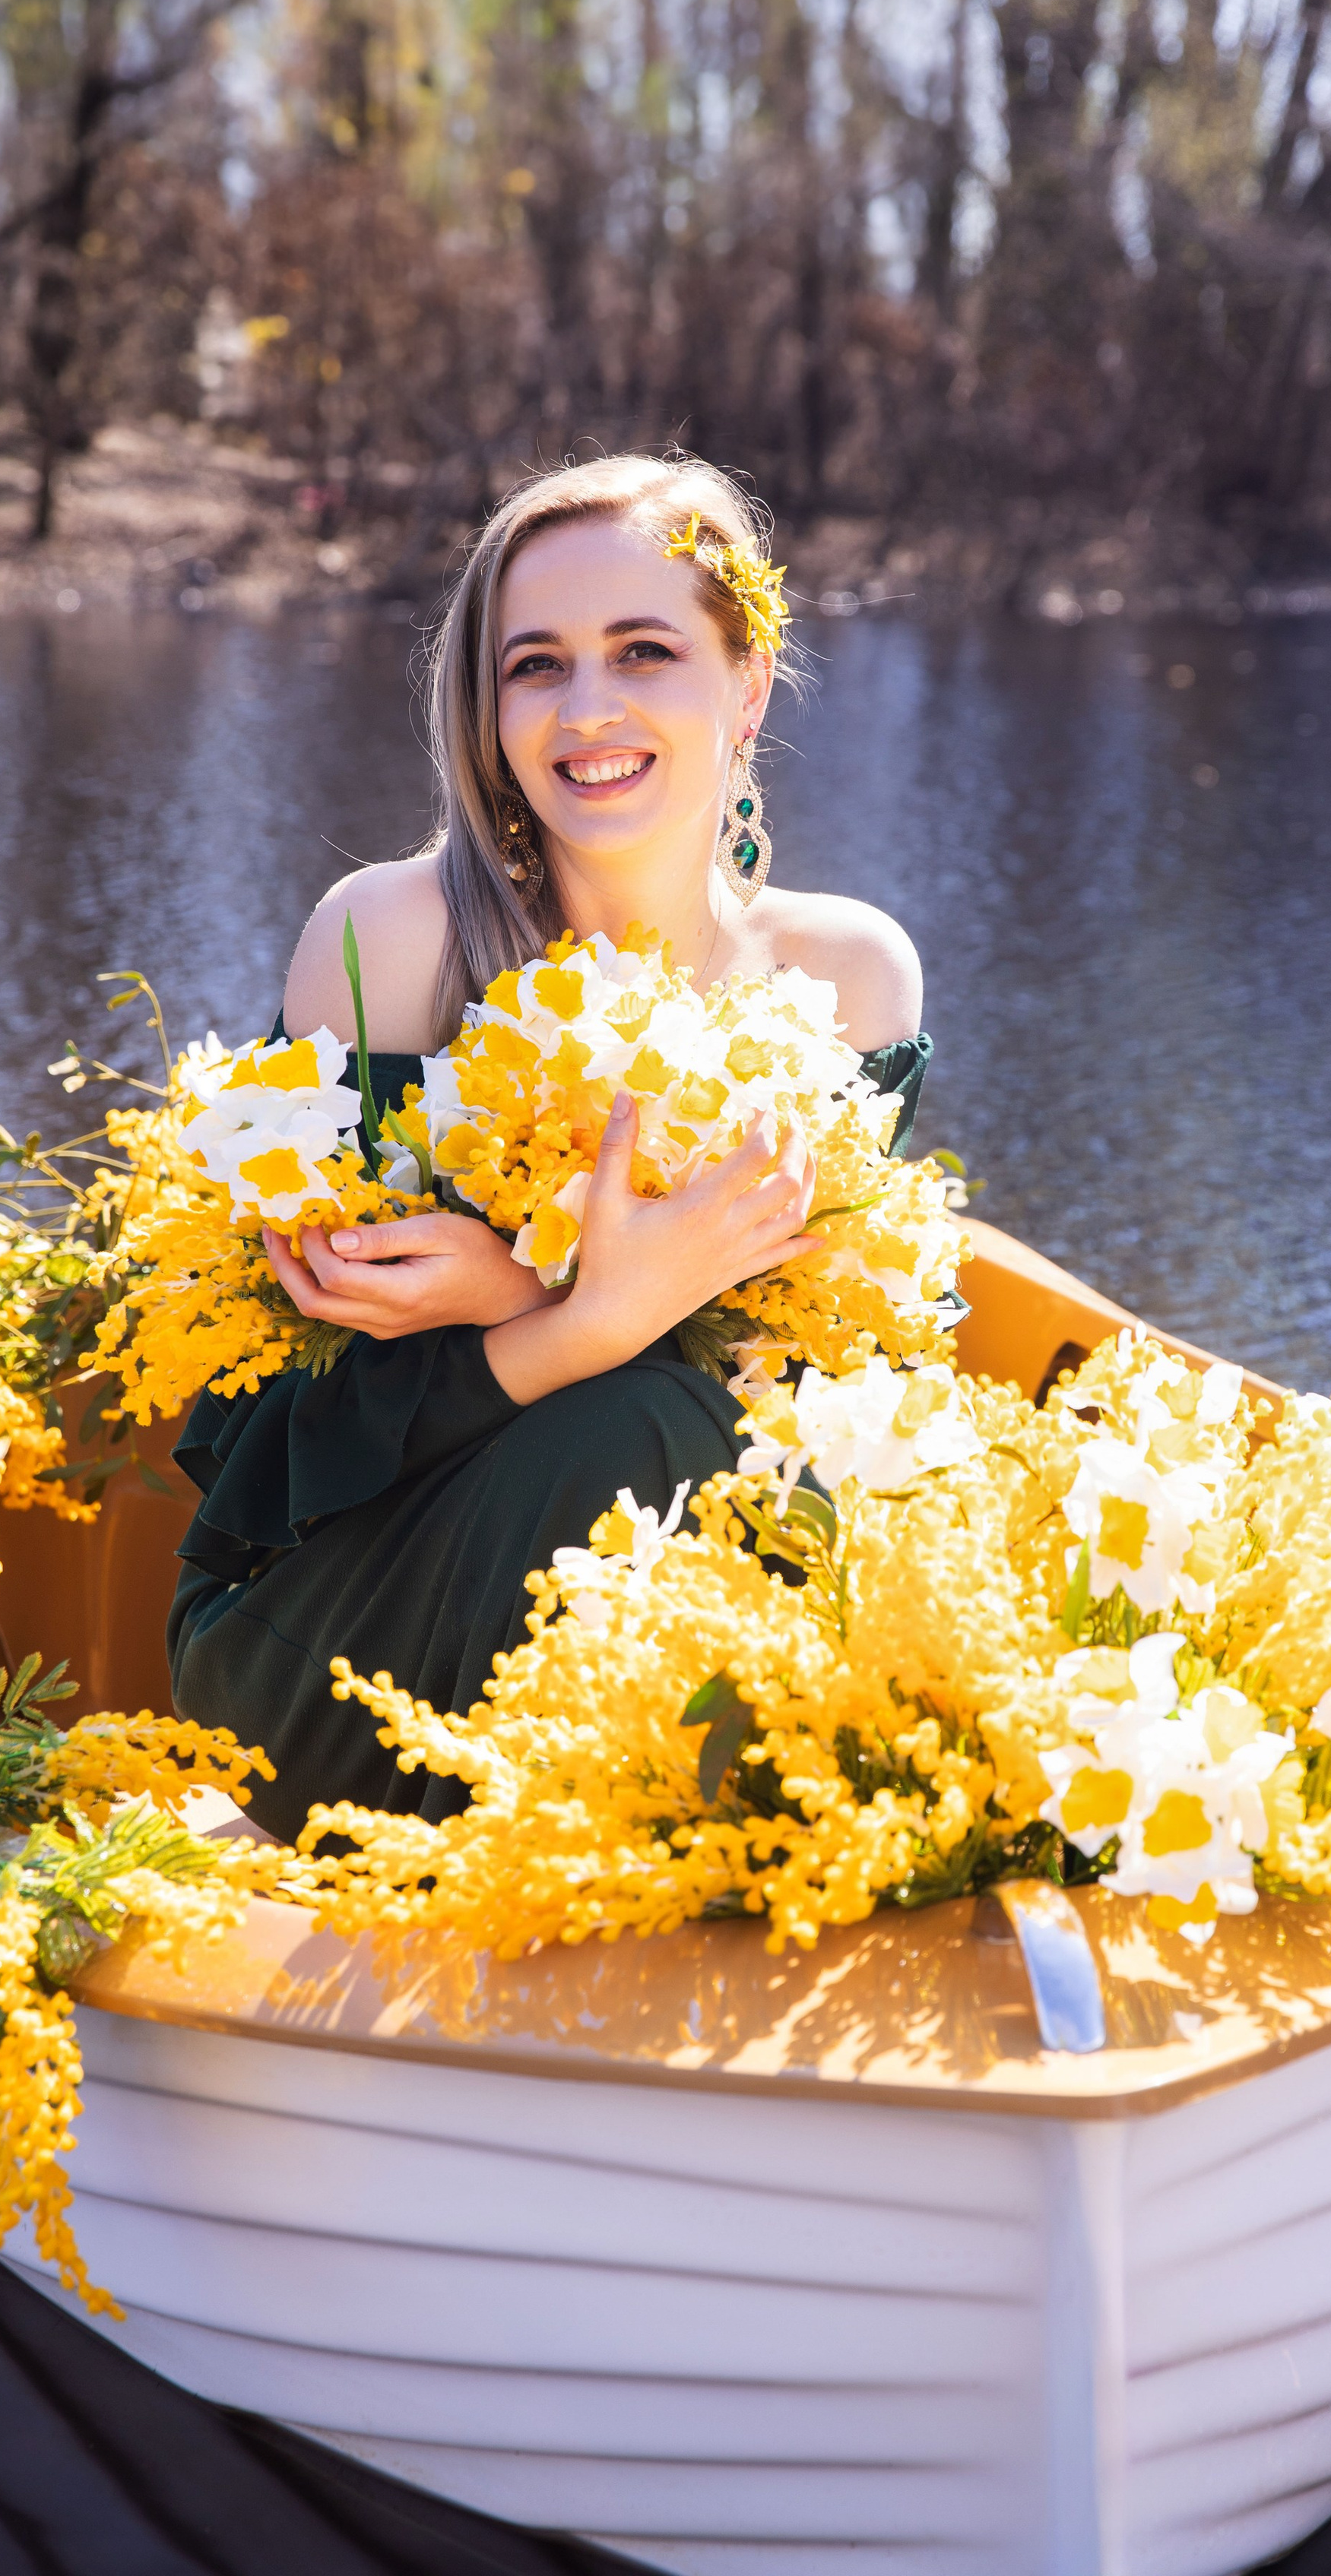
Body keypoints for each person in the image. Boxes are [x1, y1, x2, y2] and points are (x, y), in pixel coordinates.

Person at [167, 454, 929, 1842]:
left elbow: (811, 1408)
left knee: (747, 1478)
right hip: (334, 1623)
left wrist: (531, 1295)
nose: (587, 711)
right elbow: (275, 1433)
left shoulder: (846, 980)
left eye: (645, 651)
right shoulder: (389, 944)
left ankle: (731, 1864)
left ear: (746, 685)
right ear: (492, 707)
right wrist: (592, 1324)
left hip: (695, 1604)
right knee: (632, 1425)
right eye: (537, 667)